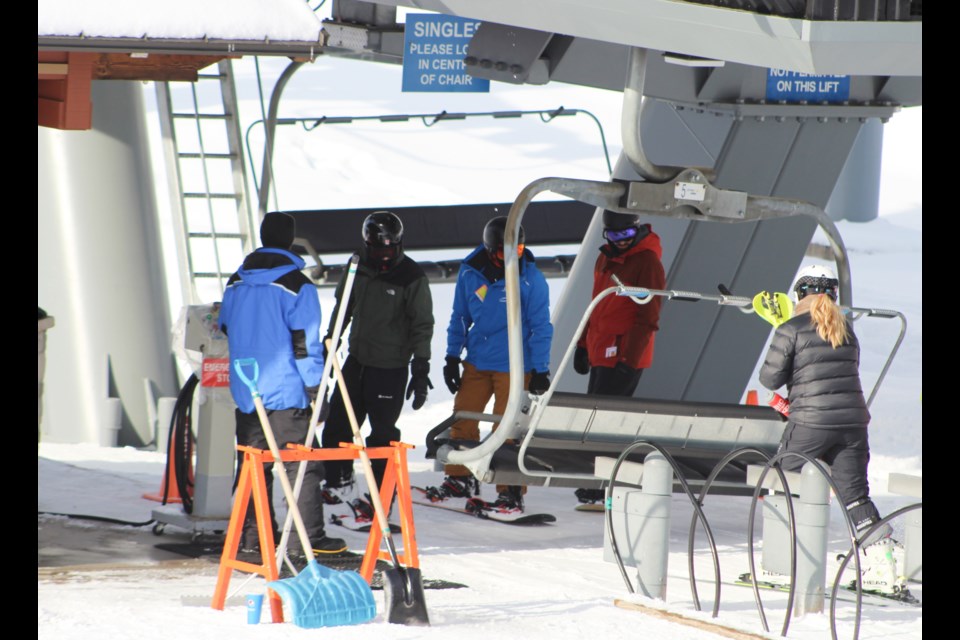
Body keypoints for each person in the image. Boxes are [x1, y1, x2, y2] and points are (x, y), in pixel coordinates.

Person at [759, 264, 906, 596]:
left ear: (799, 295)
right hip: (853, 425)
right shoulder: (845, 330)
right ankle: (881, 563)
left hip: (811, 422)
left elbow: (769, 379)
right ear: (834, 295)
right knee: (855, 495)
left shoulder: (791, 328)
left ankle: (783, 563)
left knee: (783, 483)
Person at [218, 212, 345, 555]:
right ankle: (307, 540)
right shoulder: (296, 285)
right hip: (287, 392)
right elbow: (305, 345)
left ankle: (253, 537)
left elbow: (225, 326)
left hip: (248, 390)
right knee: (300, 466)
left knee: (252, 466)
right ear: (290, 241)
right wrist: (317, 389)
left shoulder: (235, 282)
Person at [424, 216, 553, 514]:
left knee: (506, 429)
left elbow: (541, 327)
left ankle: (510, 491)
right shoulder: (471, 273)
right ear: (490, 248)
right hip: (479, 361)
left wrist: (541, 369)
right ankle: (460, 479)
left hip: (515, 366)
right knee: (462, 420)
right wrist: (452, 356)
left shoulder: (530, 279)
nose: (511, 256)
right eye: (504, 251)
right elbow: (459, 316)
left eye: (518, 250)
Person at [321, 211, 434, 505]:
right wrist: (330, 342)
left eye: (390, 249)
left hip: (390, 367)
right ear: (368, 245)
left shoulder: (411, 276)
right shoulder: (356, 266)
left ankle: (382, 495)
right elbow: (343, 307)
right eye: (379, 249)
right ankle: (338, 483)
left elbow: (422, 324)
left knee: (382, 434)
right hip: (357, 361)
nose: (385, 256)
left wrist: (421, 367)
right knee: (337, 425)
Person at [571, 210, 666, 504]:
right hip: (601, 349)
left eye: (625, 235)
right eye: (614, 236)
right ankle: (595, 481)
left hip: (623, 355)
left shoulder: (647, 262)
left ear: (636, 230)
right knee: (594, 419)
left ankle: (603, 486)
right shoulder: (604, 258)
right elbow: (596, 306)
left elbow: (648, 317)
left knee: (608, 424)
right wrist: (584, 344)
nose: (620, 242)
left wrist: (629, 360)